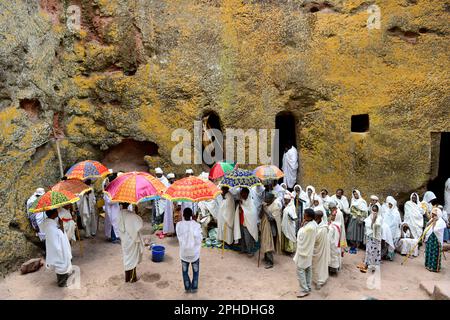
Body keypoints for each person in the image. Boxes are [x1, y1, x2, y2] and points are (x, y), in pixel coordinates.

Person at [40, 209, 73, 287]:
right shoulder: (50, 226)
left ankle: (64, 278)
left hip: (55, 247)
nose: (58, 213)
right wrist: (61, 226)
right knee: (61, 264)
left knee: (62, 263)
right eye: (56, 212)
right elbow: (59, 234)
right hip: (57, 248)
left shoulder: (49, 223)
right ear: (53, 214)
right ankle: (61, 282)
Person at [176, 208, 203, 293]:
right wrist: (195, 222)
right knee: (195, 271)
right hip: (194, 253)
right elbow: (200, 238)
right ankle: (194, 288)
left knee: (185, 272)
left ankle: (187, 288)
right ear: (192, 215)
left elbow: (179, 236)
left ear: (183, 215)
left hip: (184, 253)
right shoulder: (196, 225)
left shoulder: (179, 225)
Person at [293, 208, 318, 298]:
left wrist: (301, 227)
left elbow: (300, 236)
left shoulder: (309, 228)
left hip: (304, 252)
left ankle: (304, 289)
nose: (303, 215)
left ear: (308, 216)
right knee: (308, 269)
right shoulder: (314, 224)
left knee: (300, 270)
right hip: (309, 251)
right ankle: (308, 286)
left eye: (304, 214)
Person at [118, 203, 144, 282]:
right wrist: (136, 212)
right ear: (129, 204)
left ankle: (127, 278)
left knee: (126, 258)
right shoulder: (131, 215)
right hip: (131, 240)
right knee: (132, 259)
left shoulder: (119, 213)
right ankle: (133, 278)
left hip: (124, 240)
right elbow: (139, 224)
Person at [260, 192, 282, 268]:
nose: (266, 200)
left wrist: (265, 209)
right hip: (264, 227)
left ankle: (270, 262)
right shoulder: (265, 205)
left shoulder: (276, 207)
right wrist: (262, 209)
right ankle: (266, 257)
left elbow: (271, 218)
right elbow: (260, 216)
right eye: (266, 198)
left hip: (272, 229)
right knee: (265, 242)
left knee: (269, 244)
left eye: (268, 198)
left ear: (272, 199)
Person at [358, 204, 382, 273]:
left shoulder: (380, 218)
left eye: (375, 210)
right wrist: (371, 222)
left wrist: (373, 221)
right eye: (373, 210)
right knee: (368, 250)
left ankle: (373, 267)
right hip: (369, 237)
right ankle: (367, 263)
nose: (374, 212)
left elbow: (376, 226)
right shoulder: (369, 216)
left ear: (378, 211)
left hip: (375, 238)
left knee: (374, 252)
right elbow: (366, 224)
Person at [236, 187, 258, 256]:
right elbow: (239, 211)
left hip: (248, 223)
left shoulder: (251, 203)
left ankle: (250, 251)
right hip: (242, 221)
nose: (242, 195)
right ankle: (243, 249)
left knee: (248, 238)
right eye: (241, 194)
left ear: (247, 194)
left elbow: (252, 213)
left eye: (243, 194)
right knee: (242, 237)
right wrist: (240, 206)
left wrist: (242, 207)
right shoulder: (241, 201)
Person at [312, 210, 330, 289]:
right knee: (314, 265)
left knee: (320, 265)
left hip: (321, 250)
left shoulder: (323, 228)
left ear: (319, 217)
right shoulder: (315, 224)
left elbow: (315, 238)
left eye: (315, 216)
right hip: (315, 250)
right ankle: (314, 279)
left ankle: (320, 281)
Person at [424, 207, 446, 272]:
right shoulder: (432, 219)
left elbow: (435, 230)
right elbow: (427, 226)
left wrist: (434, 223)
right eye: (432, 214)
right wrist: (431, 221)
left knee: (434, 253)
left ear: (438, 214)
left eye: (435, 214)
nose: (433, 216)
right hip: (430, 238)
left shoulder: (441, 222)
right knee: (429, 251)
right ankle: (428, 265)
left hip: (436, 240)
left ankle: (434, 268)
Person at [347, 189, 368, 254]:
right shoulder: (353, 200)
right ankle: (353, 245)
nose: (355, 195)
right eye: (354, 194)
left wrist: (361, 219)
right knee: (351, 231)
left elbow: (365, 211)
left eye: (356, 194)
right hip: (353, 219)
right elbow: (351, 209)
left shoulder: (362, 201)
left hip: (359, 219)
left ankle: (357, 246)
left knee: (358, 232)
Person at [328, 207, 342, 274]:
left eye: (334, 216)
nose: (332, 216)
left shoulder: (334, 226)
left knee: (333, 257)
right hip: (334, 244)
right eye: (332, 215)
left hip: (333, 244)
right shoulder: (337, 224)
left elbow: (332, 237)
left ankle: (332, 270)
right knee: (333, 256)